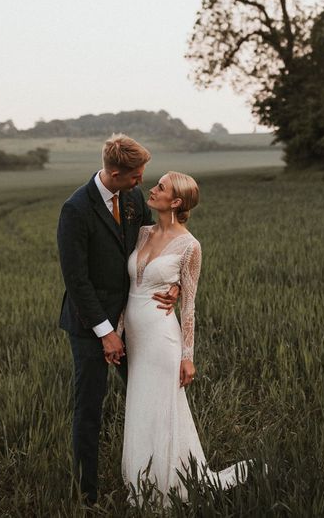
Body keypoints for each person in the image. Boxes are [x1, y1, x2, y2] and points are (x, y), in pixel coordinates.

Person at [57, 134, 180, 505]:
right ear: (113, 172)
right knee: (90, 408)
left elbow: (156, 242)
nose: (141, 183)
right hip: (89, 325)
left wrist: (172, 283)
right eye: (134, 177)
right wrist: (106, 333)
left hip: (135, 319)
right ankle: (87, 495)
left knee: (147, 397)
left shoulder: (132, 200)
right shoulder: (75, 210)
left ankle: (154, 479)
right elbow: (76, 280)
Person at [118, 171, 254, 505]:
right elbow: (128, 288)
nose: (153, 188)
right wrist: (118, 334)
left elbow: (190, 305)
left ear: (176, 202)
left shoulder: (190, 246)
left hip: (163, 337)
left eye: (161, 187)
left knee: (163, 408)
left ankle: (168, 488)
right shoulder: (142, 232)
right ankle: (141, 482)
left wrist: (187, 356)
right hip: (135, 337)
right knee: (140, 406)